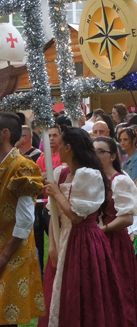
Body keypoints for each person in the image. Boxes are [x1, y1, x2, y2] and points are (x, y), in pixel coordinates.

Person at [39, 129, 128, 327]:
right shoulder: (60, 173)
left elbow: (76, 217)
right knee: (60, 290)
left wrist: (57, 194)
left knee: (83, 292)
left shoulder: (88, 175)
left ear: (68, 148)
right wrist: (52, 246)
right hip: (63, 239)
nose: (57, 147)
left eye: (61, 143)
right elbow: (55, 215)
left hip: (84, 241)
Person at [0, 113, 45, 326]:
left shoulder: (22, 167)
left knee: (6, 318)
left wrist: (5, 255)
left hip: (13, 251)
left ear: (5, 133)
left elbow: (26, 219)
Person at [94, 137, 137, 327]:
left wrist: (102, 229)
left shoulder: (119, 180)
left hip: (114, 242)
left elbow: (127, 218)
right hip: (96, 241)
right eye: (93, 151)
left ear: (112, 156)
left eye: (101, 151)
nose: (96, 155)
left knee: (120, 291)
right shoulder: (93, 179)